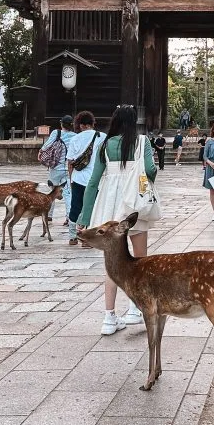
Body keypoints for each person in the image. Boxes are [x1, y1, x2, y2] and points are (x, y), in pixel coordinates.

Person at [78, 105, 159, 335]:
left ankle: (109, 317)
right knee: (140, 261)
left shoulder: (105, 145)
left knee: (112, 266)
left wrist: (84, 217)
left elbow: (93, 182)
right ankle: (135, 309)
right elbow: (151, 170)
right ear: (133, 122)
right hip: (134, 206)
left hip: (110, 205)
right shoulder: (142, 142)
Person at [66, 111, 105, 246]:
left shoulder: (75, 139)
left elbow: (70, 162)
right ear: (92, 124)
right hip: (97, 179)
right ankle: (87, 239)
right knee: (92, 208)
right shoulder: (103, 137)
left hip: (78, 178)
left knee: (76, 206)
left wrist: (71, 178)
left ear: (81, 125)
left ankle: (72, 236)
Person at [41, 115, 75, 224]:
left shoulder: (56, 133)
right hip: (68, 168)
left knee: (52, 192)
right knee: (68, 194)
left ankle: (49, 215)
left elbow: (46, 146)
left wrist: (40, 152)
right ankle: (69, 217)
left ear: (61, 123)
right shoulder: (75, 136)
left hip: (55, 167)